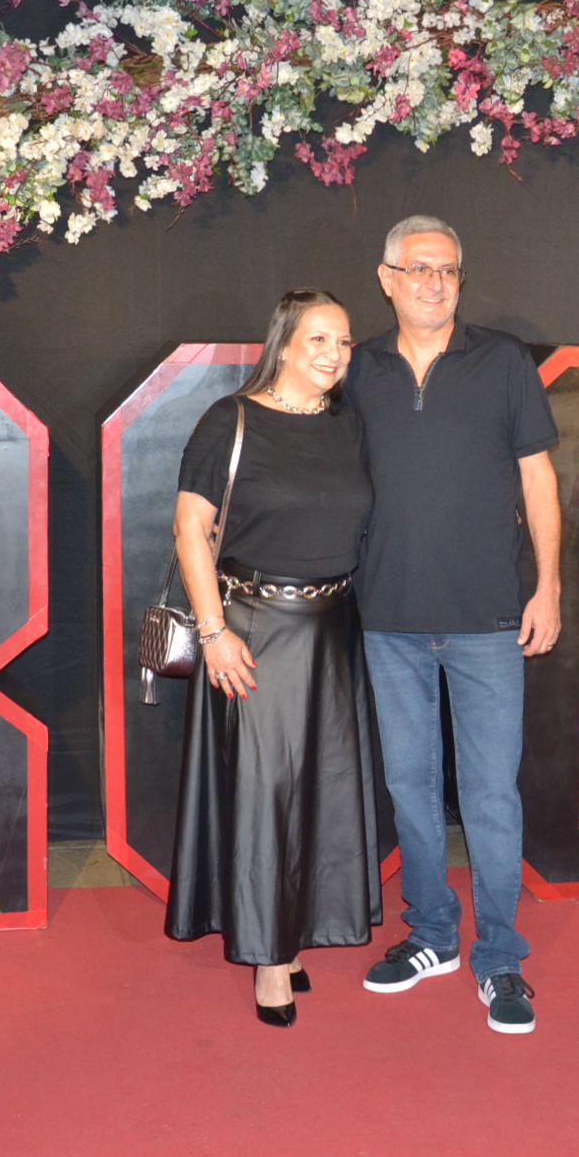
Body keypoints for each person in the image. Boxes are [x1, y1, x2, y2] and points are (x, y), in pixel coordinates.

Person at [348, 215, 561, 1035]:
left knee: (490, 795)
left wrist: (548, 587)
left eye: (448, 271)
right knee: (409, 788)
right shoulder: (357, 368)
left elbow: (538, 480)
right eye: (419, 268)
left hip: (488, 622)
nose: (434, 283)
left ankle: (500, 958)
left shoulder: (503, 361)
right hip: (388, 620)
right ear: (387, 278)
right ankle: (432, 935)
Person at [165, 289, 388, 1026]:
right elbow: (190, 530)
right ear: (284, 343)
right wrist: (213, 632)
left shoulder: (348, 426)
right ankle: (268, 958)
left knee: (323, 792)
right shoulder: (229, 421)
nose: (334, 354)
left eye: (344, 342)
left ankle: (294, 935)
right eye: (319, 339)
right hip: (255, 633)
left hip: (335, 630)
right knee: (267, 796)